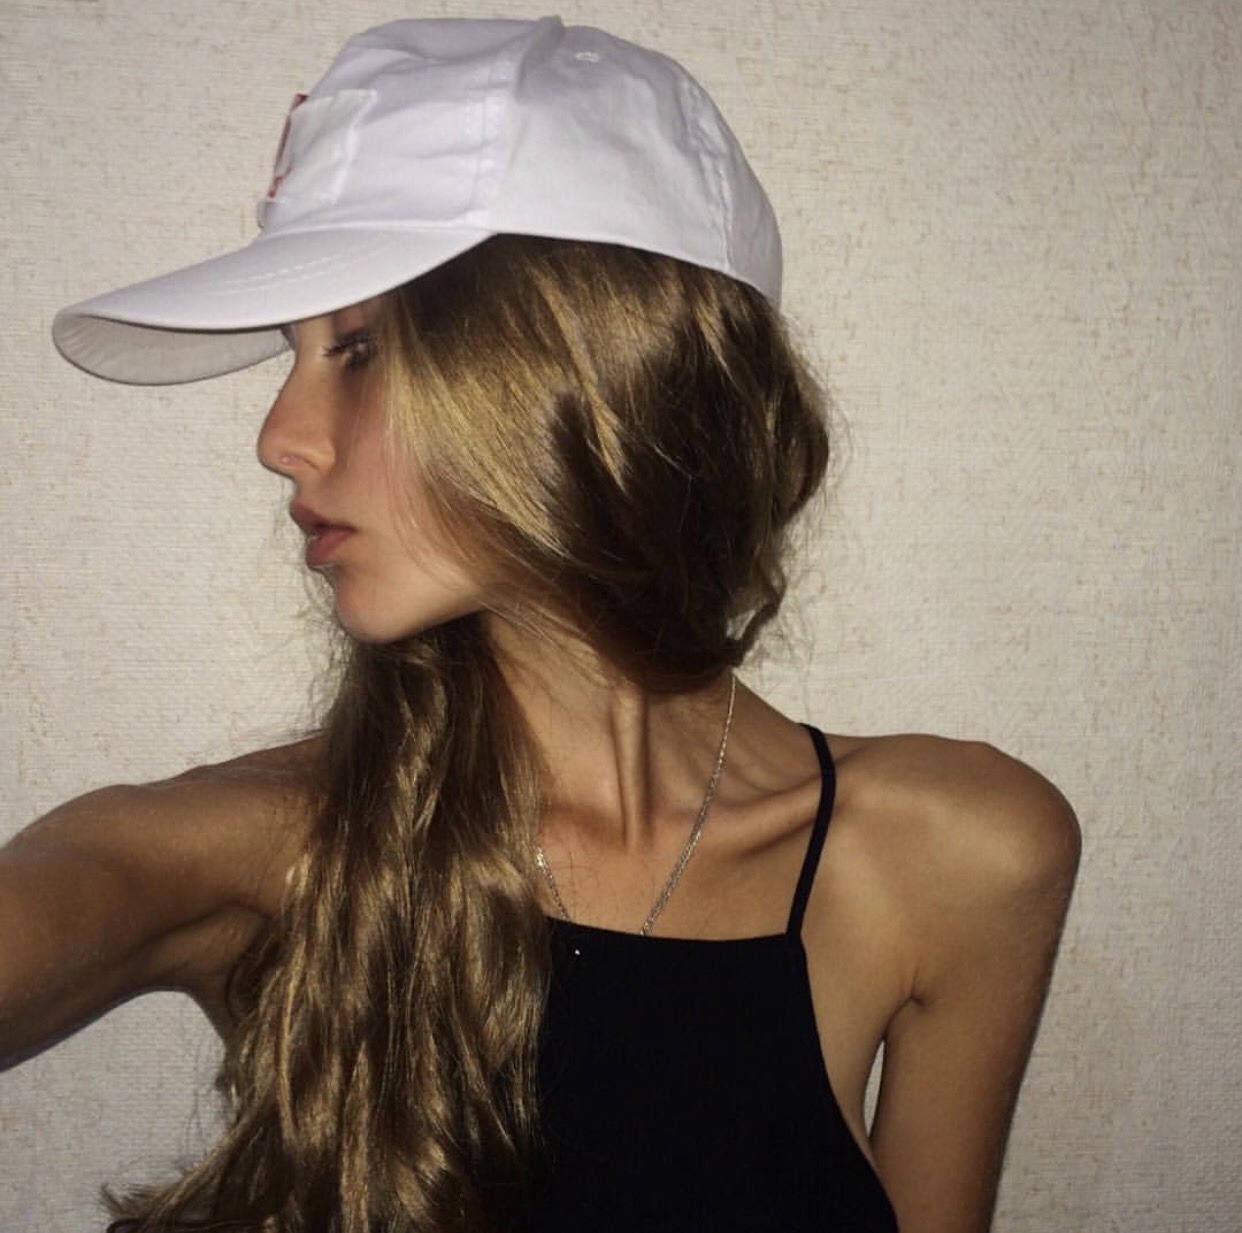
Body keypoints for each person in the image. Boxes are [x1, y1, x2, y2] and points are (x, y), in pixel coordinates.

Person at [1, 17, 1079, 1233]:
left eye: (357, 350)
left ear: (591, 361)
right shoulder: (281, 850)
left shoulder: (960, 853)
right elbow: (66, 894)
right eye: (295, 355)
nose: (279, 438)